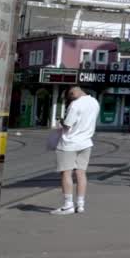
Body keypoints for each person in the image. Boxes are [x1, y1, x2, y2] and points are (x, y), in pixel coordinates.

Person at [52, 85, 99, 215]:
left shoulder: (75, 105)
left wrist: (61, 121)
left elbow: (68, 124)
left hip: (70, 143)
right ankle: (80, 205)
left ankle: (68, 205)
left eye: (69, 97)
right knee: (81, 173)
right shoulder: (95, 102)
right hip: (86, 143)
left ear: (72, 93)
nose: (69, 100)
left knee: (66, 173)